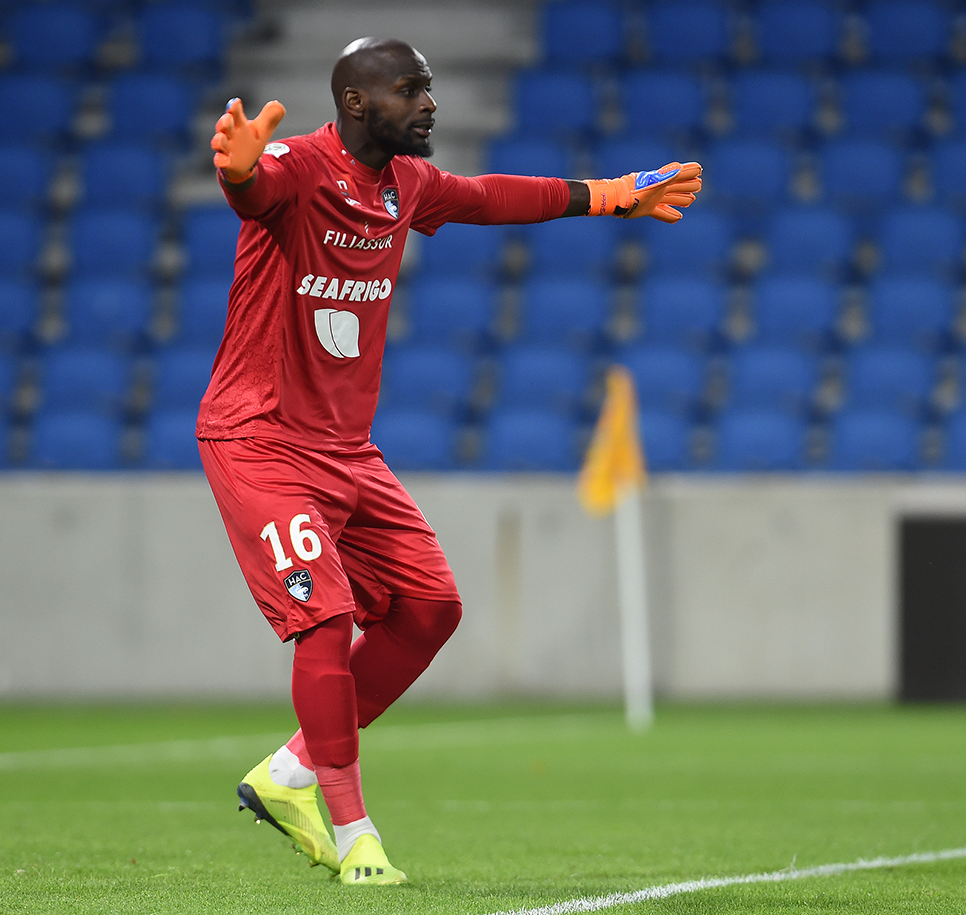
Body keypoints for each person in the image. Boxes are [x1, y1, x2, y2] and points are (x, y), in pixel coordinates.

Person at [200, 37, 702, 886]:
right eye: (411, 90)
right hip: (261, 439)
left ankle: (287, 774)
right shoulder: (297, 165)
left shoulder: (408, 186)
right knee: (323, 618)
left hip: (347, 451)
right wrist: (239, 174)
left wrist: (611, 195)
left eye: (430, 89)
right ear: (358, 103)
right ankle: (357, 833)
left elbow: (492, 197)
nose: (430, 105)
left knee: (429, 607)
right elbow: (258, 190)